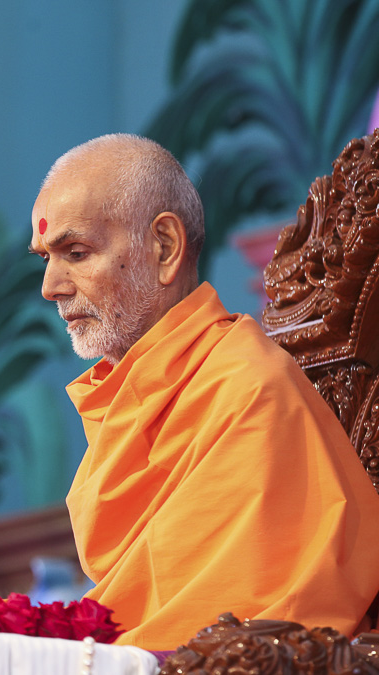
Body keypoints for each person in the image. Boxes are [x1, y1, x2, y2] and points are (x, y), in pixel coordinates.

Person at [29, 133, 379, 650]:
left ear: (164, 247)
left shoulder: (250, 393)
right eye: (45, 259)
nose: (50, 286)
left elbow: (253, 634)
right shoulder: (127, 399)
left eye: (76, 253)